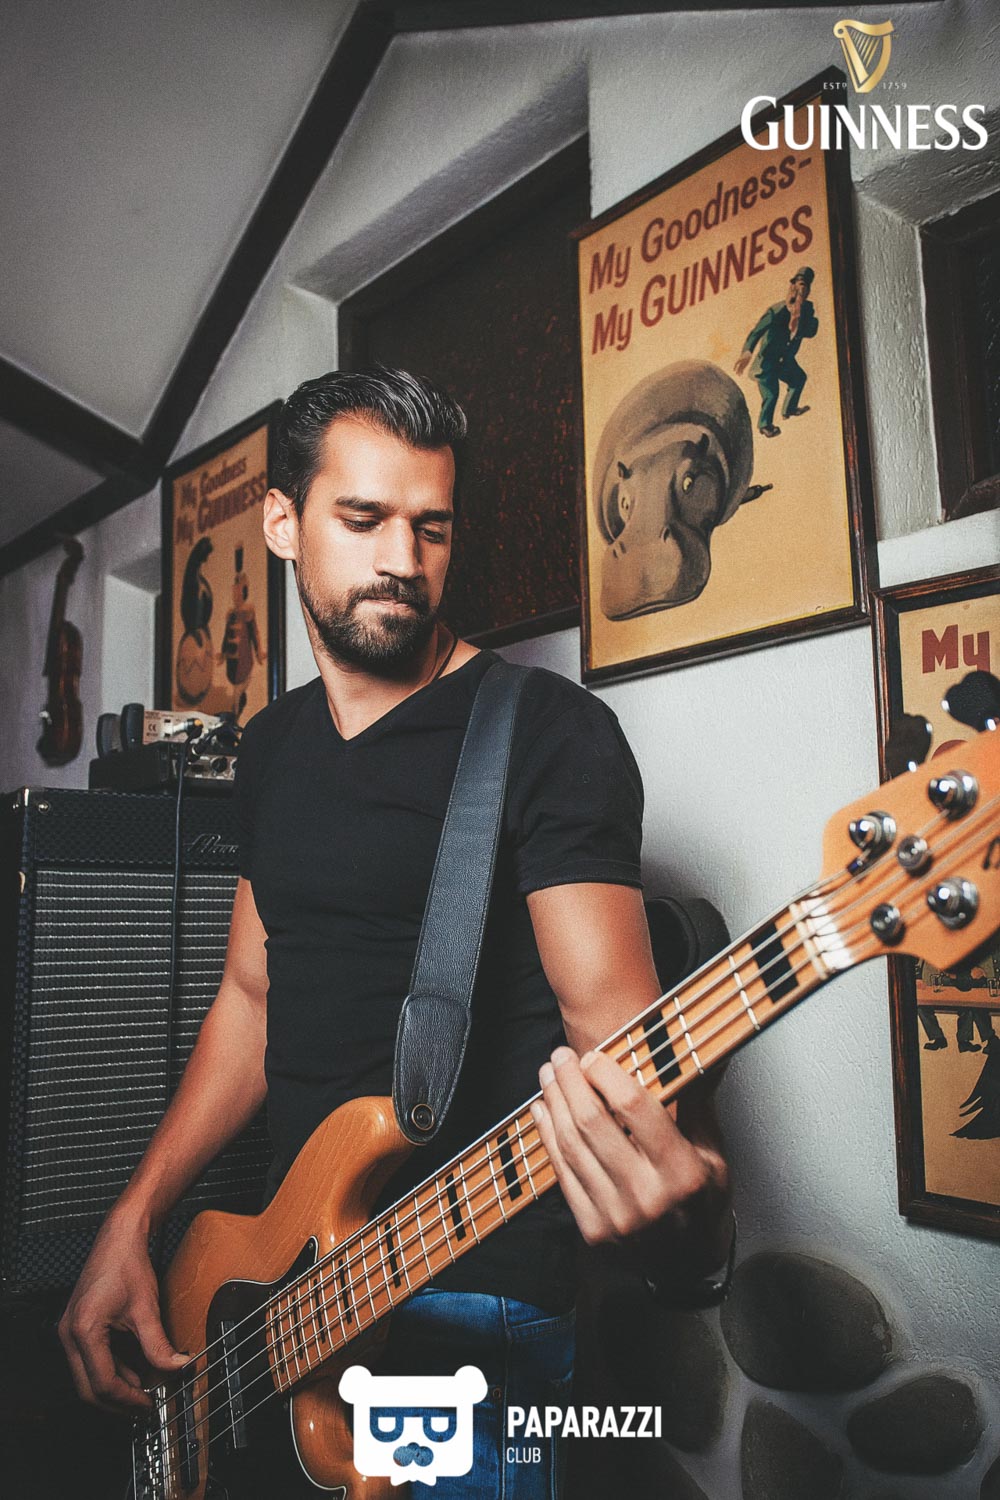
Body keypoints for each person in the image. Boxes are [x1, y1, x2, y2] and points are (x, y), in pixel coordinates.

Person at [59, 367, 733, 1498]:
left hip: (473, 1294)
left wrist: (690, 1210)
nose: (402, 560)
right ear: (283, 522)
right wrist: (133, 1219)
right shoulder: (271, 749)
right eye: (362, 518)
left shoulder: (549, 734)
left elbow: (620, 1041)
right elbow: (251, 997)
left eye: (431, 527)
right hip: (274, 1284)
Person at [734, 266, 818, 437]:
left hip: (785, 360)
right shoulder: (776, 311)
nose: (801, 290)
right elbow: (756, 332)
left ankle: (789, 409)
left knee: (799, 379)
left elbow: (811, 331)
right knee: (772, 394)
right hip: (767, 362)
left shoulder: (807, 310)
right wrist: (747, 352)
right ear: (792, 286)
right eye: (798, 284)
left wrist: (798, 319)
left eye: (805, 286)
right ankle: (765, 425)